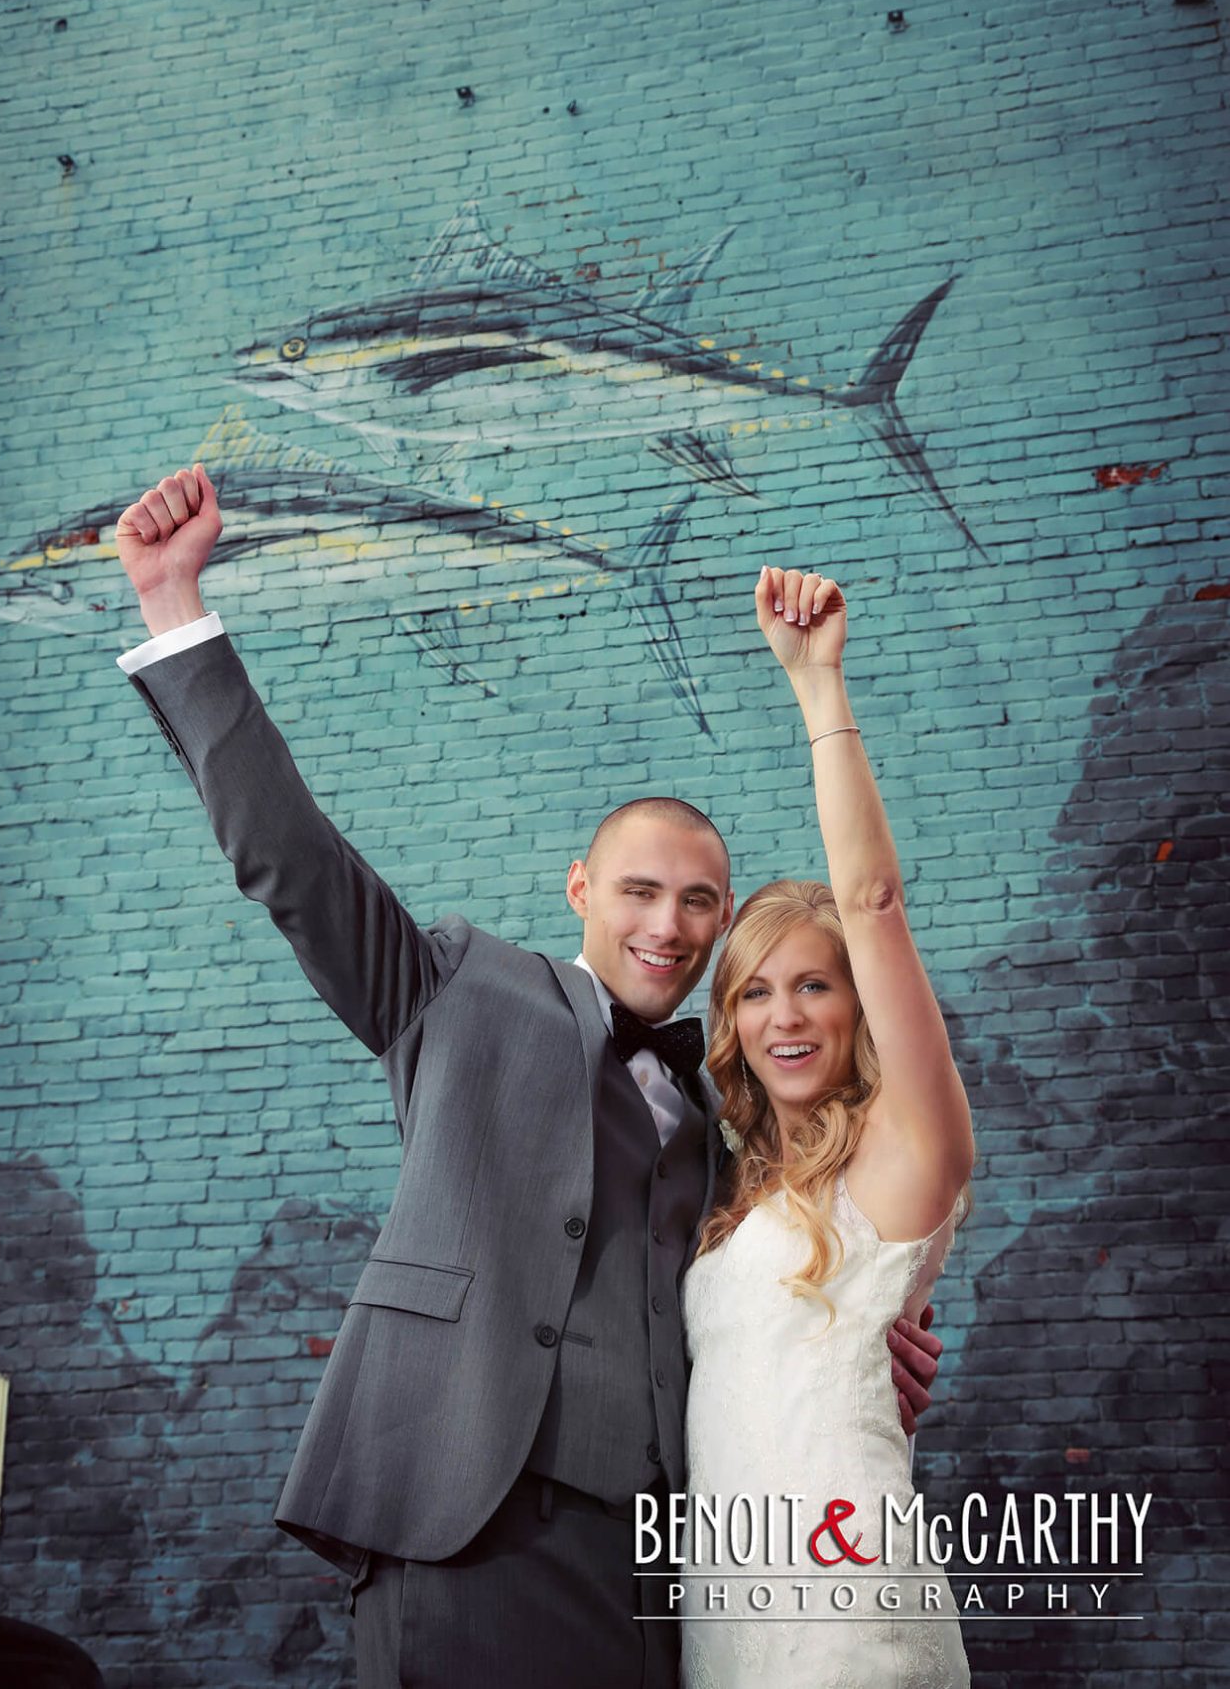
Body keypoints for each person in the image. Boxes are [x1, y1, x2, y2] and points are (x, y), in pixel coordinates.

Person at [113, 466, 943, 1689]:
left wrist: (864, 1333)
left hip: (664, 1570)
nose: (668, 925)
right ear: (579, 892)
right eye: (639, 892)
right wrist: (174, 605)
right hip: (461, 1524)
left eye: (697, 902)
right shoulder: (455, 989)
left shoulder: (731, 1118)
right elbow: (290, 857)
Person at [679, 565, 974, 1689]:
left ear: (861, 1009)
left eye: (814, 987)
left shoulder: (904, 1159)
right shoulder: (742, 1194)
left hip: (849, 1627)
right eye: (752, 992)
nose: (781, 1016)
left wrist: (817, 689)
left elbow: (871, 903)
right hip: (734, 1622)